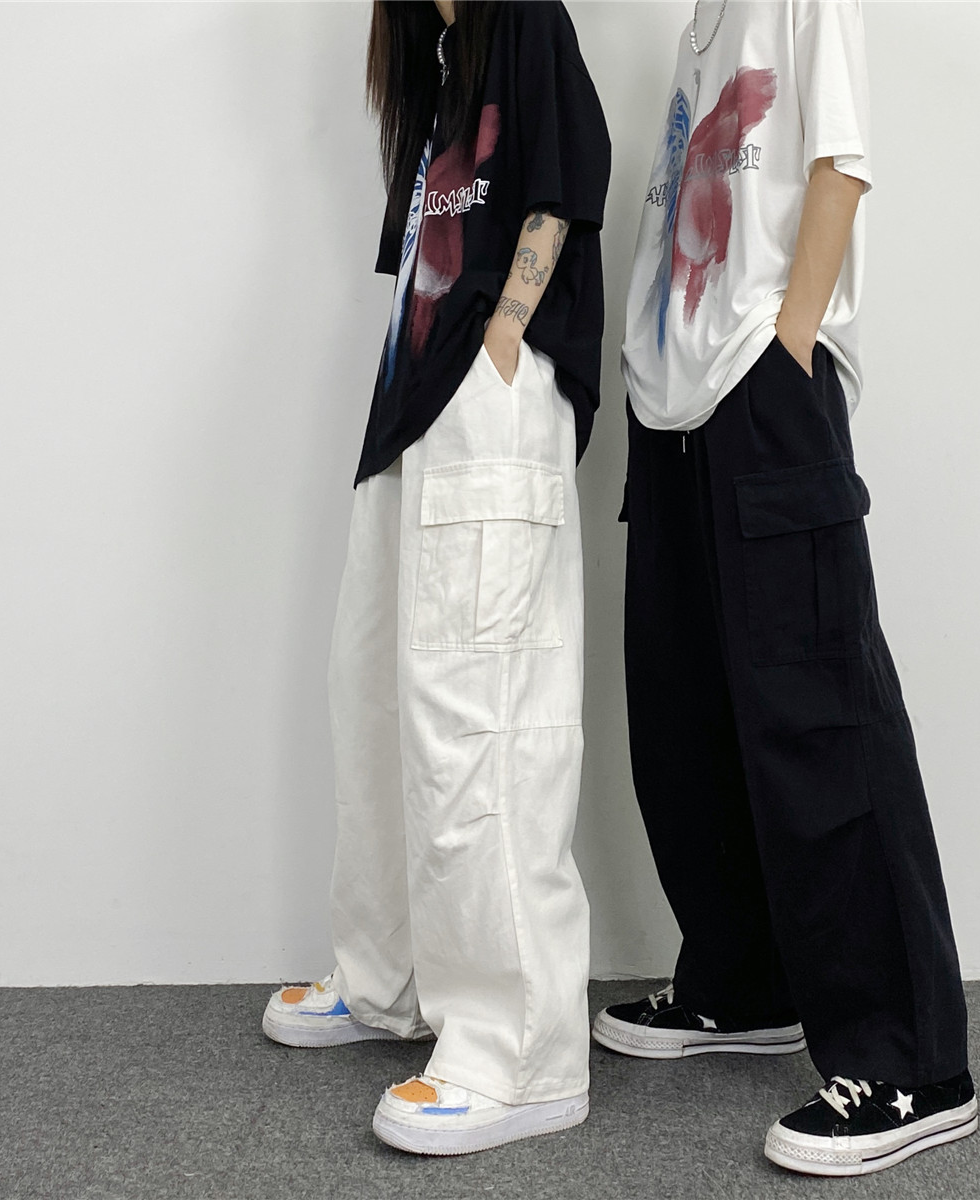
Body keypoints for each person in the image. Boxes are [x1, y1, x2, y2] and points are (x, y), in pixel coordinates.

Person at [592, 0, 977, 1177]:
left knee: (822, 723)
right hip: (673, 405)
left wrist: (787, 344)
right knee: (687, 714)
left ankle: (913, 1064)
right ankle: (744, 979)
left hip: (760, 390)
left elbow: (839, 167)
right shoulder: (701, 24)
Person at [262, 0, 609, 1157]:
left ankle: (522, 1053)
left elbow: (566, 183)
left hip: (486, 404)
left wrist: (505, 337)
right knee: (373, 697)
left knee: (481, 715)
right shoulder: (440, 55)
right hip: (410, 412)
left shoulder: (526, 22)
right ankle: (388, 979)